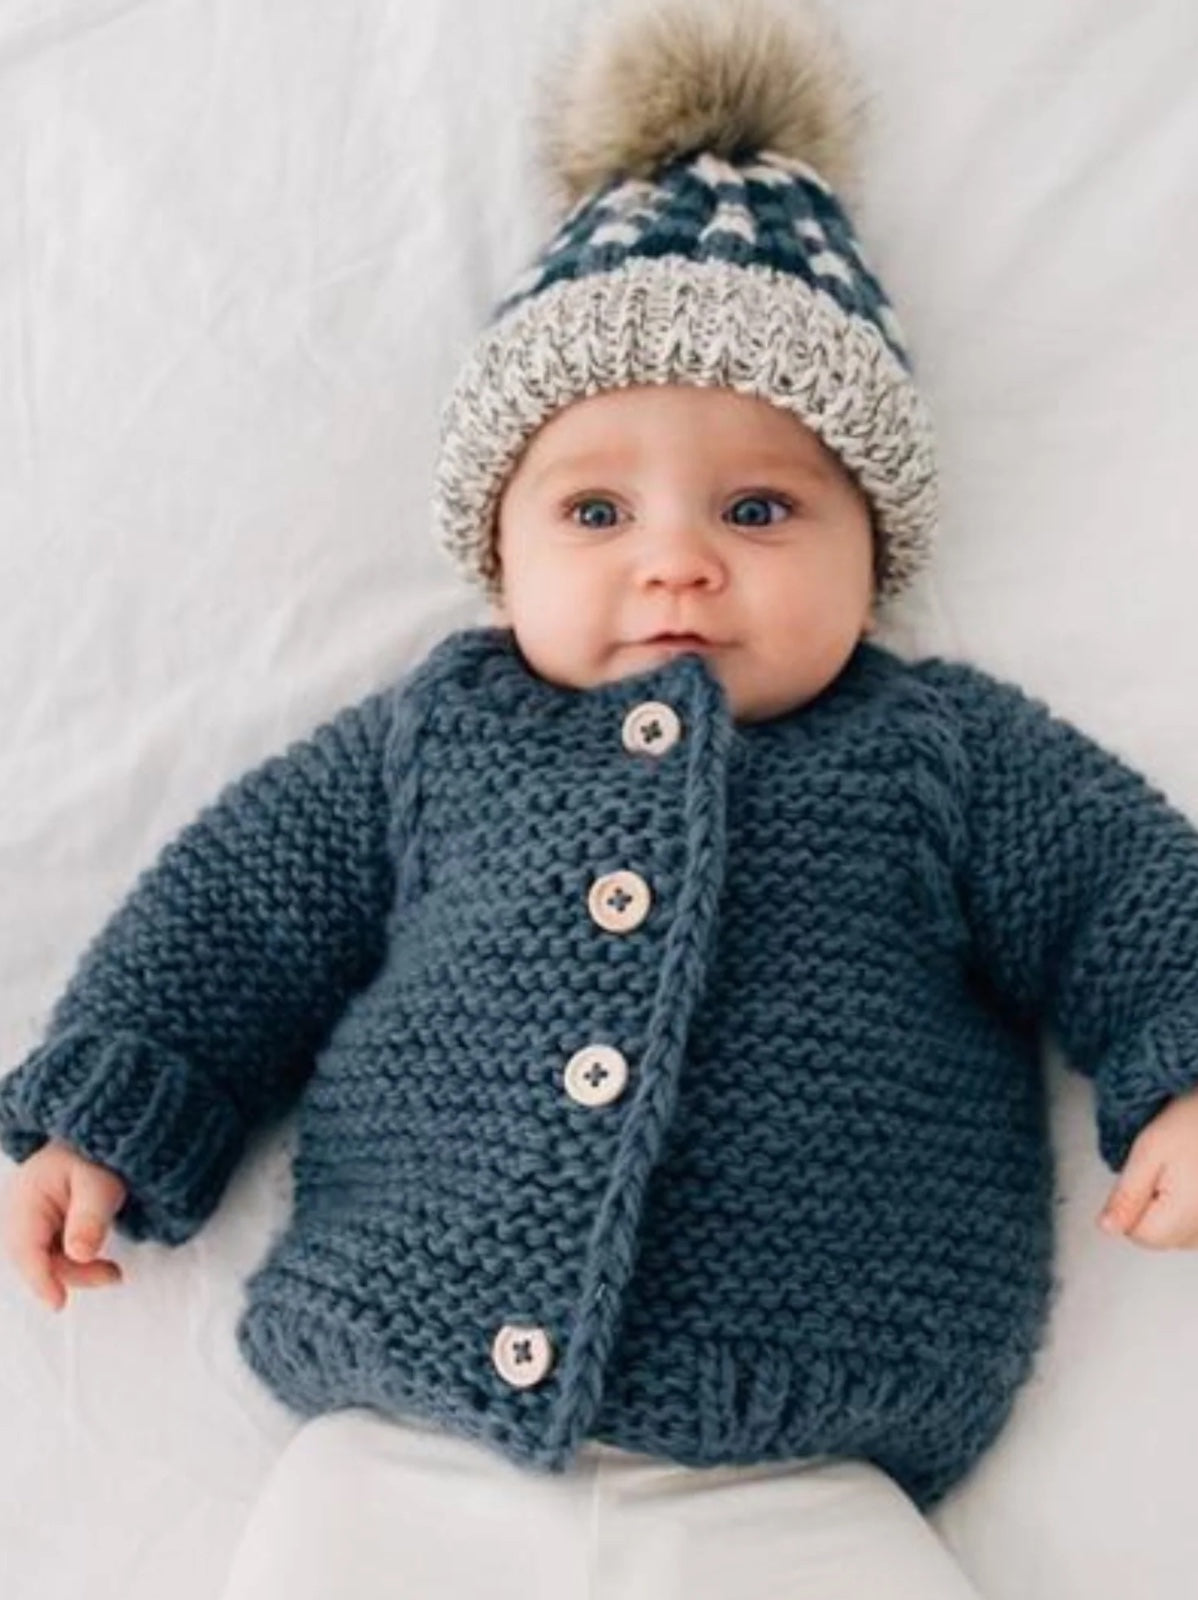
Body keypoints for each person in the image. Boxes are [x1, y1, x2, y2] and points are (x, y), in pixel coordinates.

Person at [4, 1, 1198, 1595]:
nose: (675, 558)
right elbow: (231, 918)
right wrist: (113, 1109)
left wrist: (1181, 1066)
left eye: (760, 507)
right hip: (401, 1443)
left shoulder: (944, 756)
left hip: (805, 1471)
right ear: (499, 557)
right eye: (593, 508)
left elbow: (1136, 897)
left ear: (876, 551)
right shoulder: (430, 744)